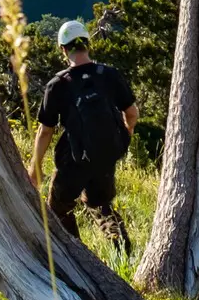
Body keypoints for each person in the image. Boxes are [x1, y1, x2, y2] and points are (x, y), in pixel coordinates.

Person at [29, 20, 138, 256]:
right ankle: (124, 255)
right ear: (88, 44)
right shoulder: (108, 75)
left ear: (63, 49)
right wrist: (122, 138)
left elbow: (45, 131)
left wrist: (35, 169)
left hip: (73, 162)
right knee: (101, 205)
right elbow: (132, 113)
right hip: (106, 156)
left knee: (59, 207)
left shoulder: (58, 84)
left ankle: (77, 256)